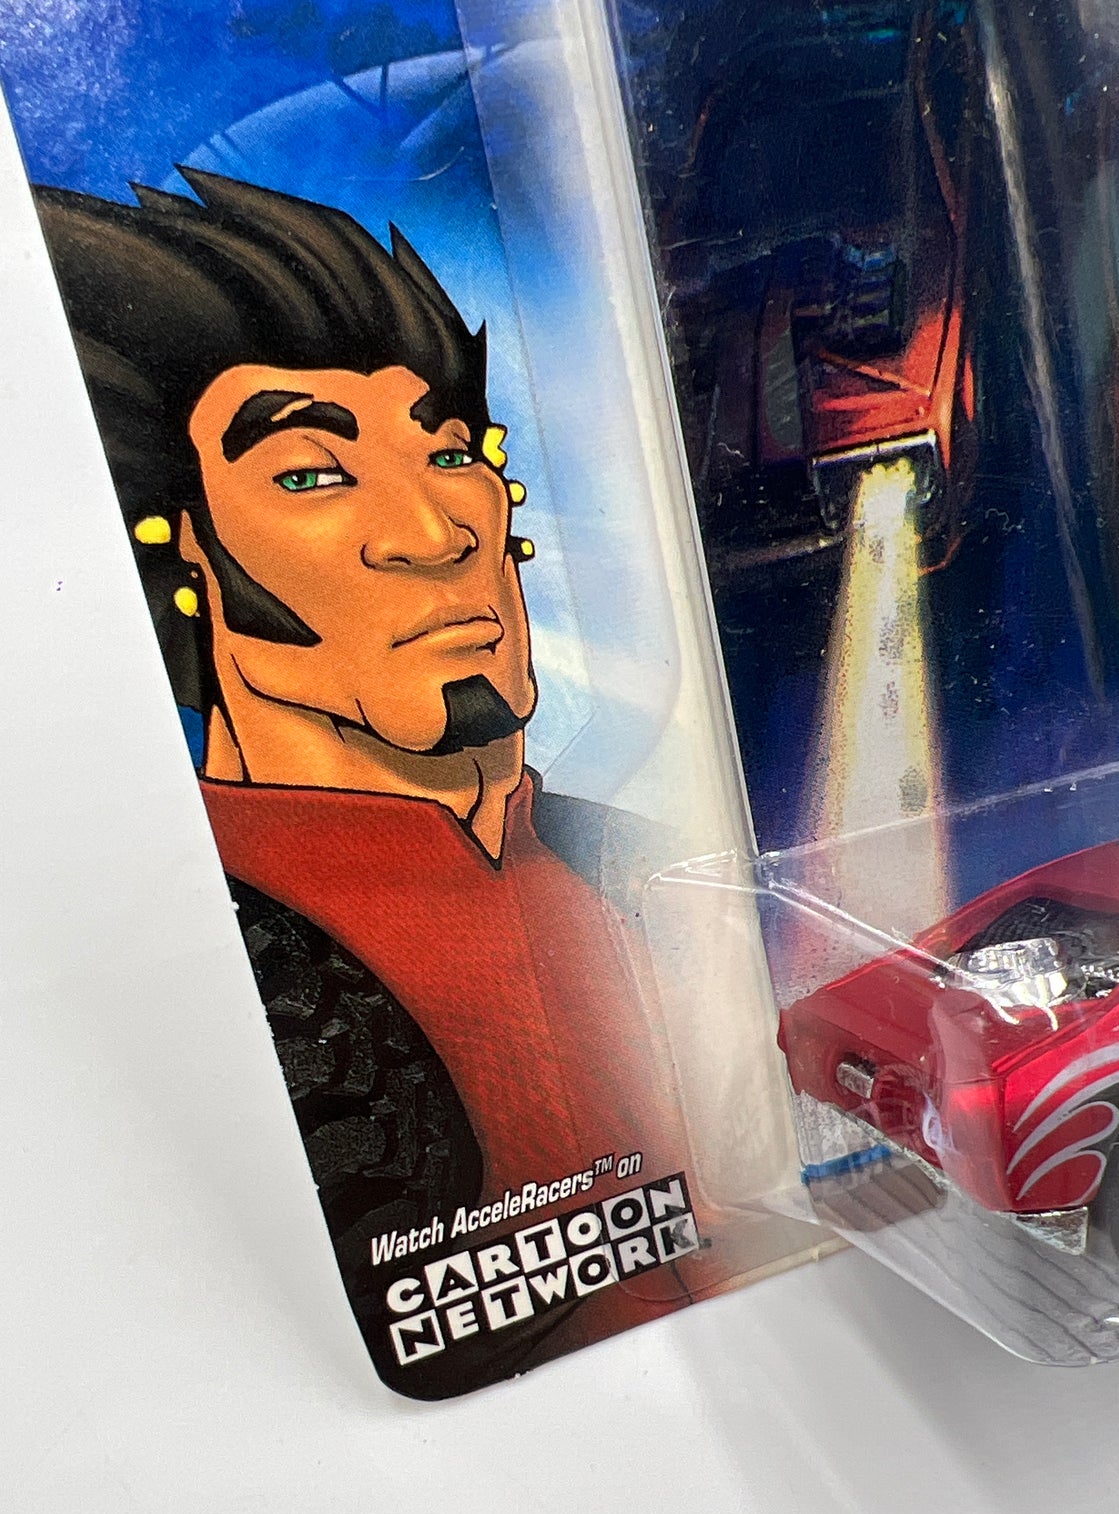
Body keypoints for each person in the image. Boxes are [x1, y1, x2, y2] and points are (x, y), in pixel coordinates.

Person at [35, 170, 704, 1393]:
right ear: (180, 550)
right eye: (309, 473)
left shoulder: (659, 870)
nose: (433, 530)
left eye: (448, 452)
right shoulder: (191, 966)